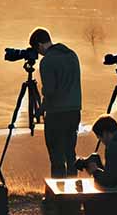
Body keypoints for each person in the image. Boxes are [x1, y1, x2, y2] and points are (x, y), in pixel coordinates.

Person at [30, 27, 82, 178]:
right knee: (70, 154)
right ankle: (73, 193)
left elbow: (50, 91)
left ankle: (58, 194)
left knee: (57, 157)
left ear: (39, 45)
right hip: (74, 111)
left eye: (37, 49)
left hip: (56, 114)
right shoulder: (72, 55)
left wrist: (41, 109)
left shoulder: (47, 62)